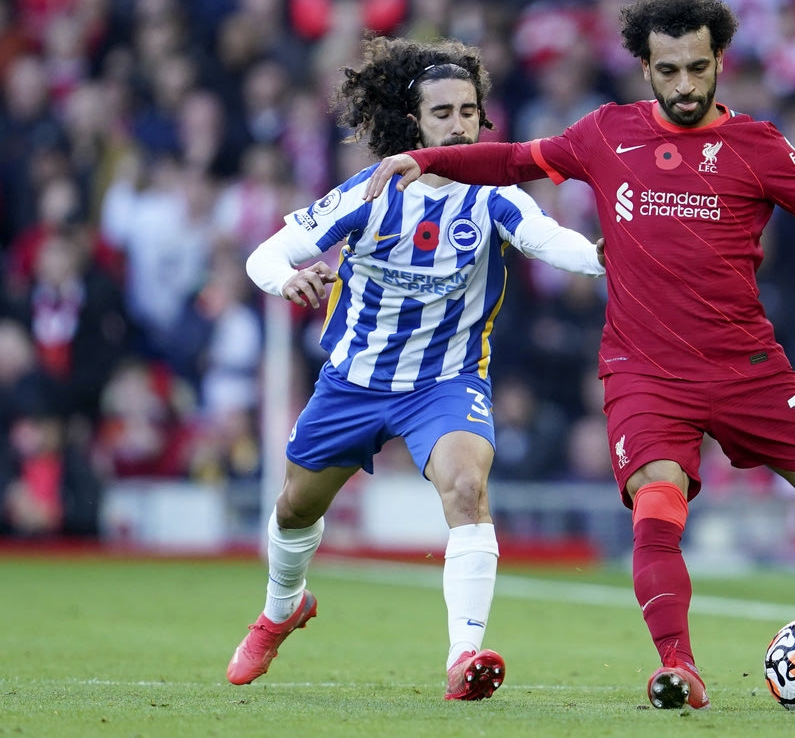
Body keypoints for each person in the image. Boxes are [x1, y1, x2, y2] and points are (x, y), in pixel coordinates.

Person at [363, 0, 795, 710]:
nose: (684, 85)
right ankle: (677, 666)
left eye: (697, 68)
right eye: (669, 70)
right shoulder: (605, 133)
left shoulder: (758, 146)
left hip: (748, 367)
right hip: (645, 372)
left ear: (720, 62)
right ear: (645, 68)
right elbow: (515, 160)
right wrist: (425, 158)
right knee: (657, 510)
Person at [226, 36, 605, 700]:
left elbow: (553, 243)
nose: (459, 124)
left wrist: (604, 256)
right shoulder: (370, 191)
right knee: (294, 507)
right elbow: (265, 256)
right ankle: (281, 611)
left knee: (467, 488)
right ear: (414, 123)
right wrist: (288, 280)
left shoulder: (494, 196)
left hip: (446, 382)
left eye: (469, 110)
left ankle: (465, 657)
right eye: (443, 112)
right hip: (354, 382)